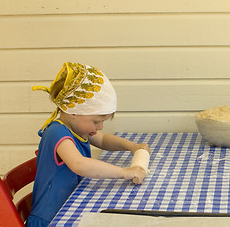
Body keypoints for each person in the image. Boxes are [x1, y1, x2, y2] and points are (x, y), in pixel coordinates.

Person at [26, 62, 151, 227]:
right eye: (96, 121)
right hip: (51, 219)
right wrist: (123, 172)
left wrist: (132, 147)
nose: (100, 127)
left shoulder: (78, 129)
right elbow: (80, 164)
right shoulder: (57, 133)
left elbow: (104, 139)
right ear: (74, 111)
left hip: (70, 208)